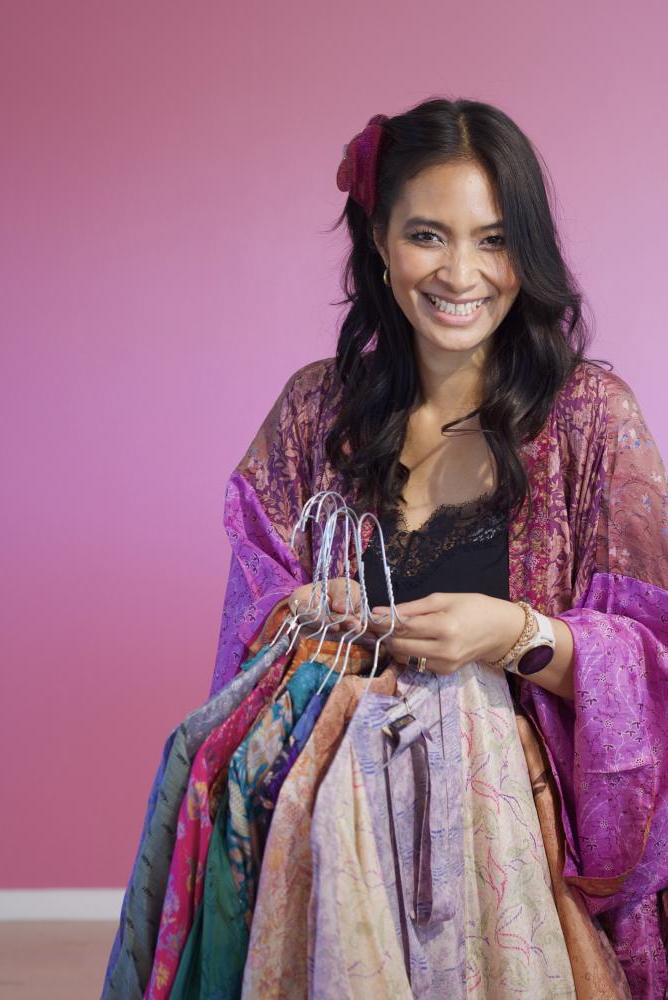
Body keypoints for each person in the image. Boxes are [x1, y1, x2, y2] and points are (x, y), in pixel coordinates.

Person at [209, 99, 668, 998]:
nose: (461, 273)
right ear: (379, 242)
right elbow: (244, 646)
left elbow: (656, 664)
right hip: (341, 859)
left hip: (524, 882)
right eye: (427, 235)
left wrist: (514, 636)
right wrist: (303, 619)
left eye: (493, 240)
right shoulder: (313, 414)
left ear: (527, 253)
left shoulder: (589, 422)